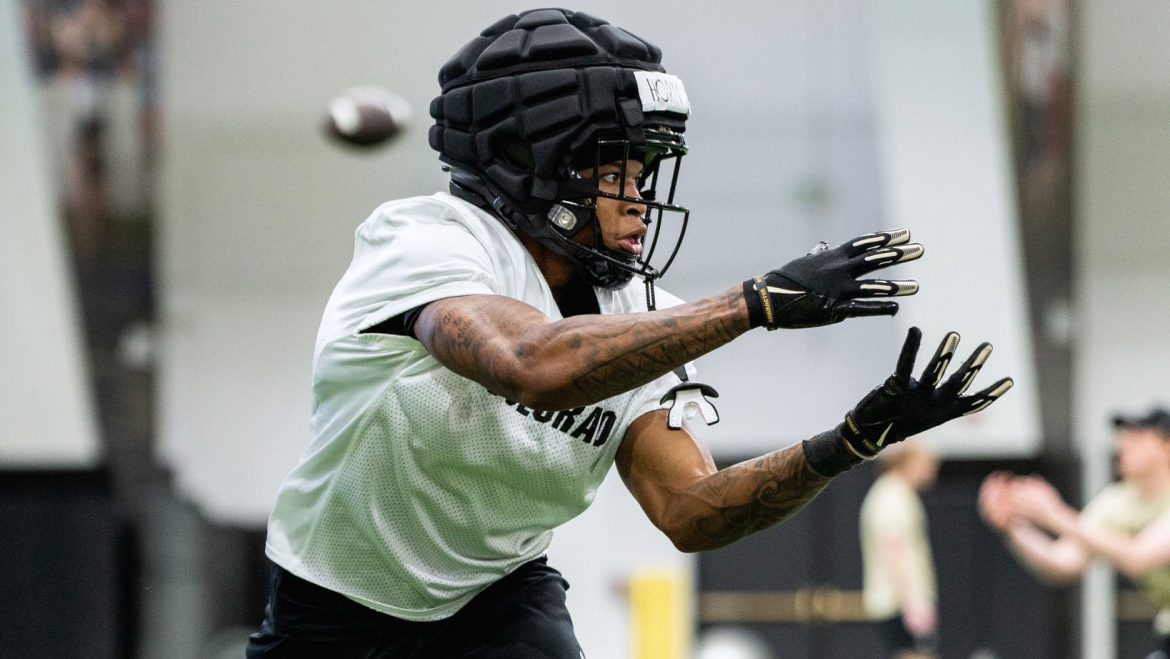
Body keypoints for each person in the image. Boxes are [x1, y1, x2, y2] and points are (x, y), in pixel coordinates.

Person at [247, 8, 1014, 657]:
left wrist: (848, 441)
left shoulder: (641, 313)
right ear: (533, 161)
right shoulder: (429, 240)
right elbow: (526, 361)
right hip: (335, 600)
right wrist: (755, 303)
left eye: (646, 173)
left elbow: (690, 508)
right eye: (618, 171)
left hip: (497, 599)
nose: (641, 197)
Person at [979, 406, 1170, 658]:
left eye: (1137, 437)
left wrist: (1054, 514)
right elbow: (1062, 562)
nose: (1124, 445)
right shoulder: (1120, 500)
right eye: (1123, 437)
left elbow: (1139, 557)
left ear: (1167, 447)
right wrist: (1013, 526)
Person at [859, 443, 942, 658]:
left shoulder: (894, 493)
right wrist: (913, 603)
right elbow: (894, 550)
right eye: (926, 465)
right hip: (898, 603)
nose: (932, 472)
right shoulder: (893, 496)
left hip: (899, 601)